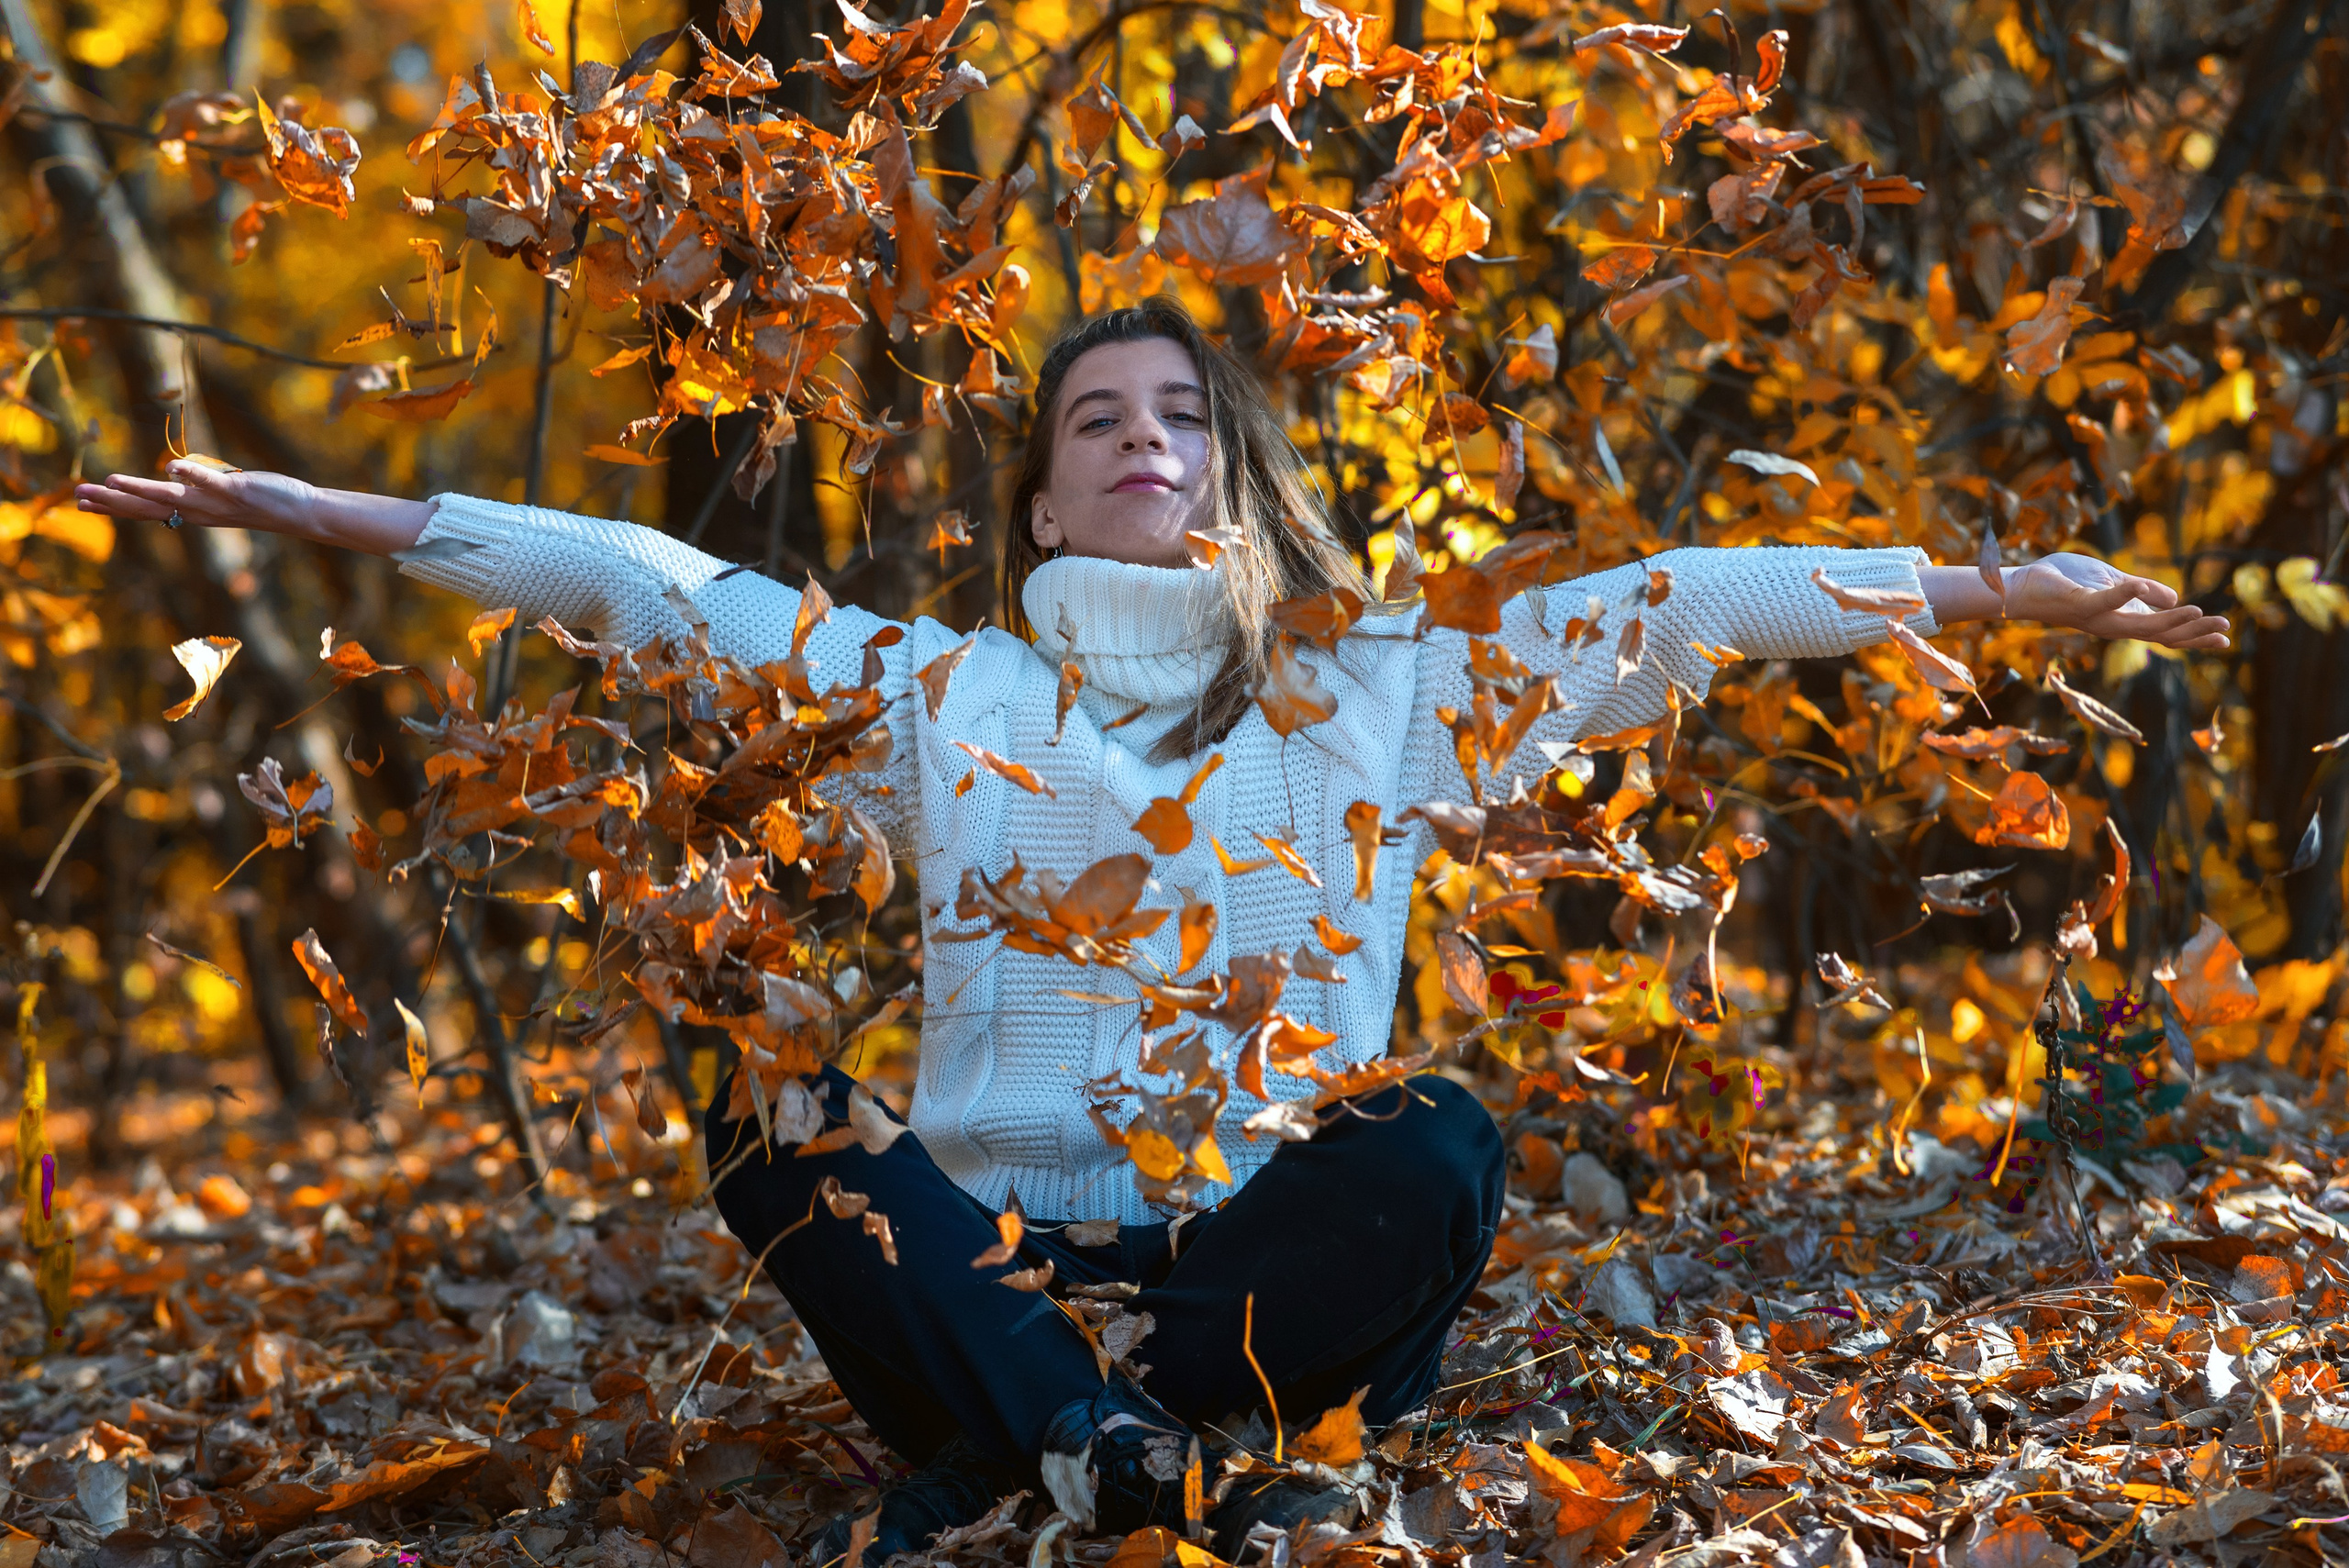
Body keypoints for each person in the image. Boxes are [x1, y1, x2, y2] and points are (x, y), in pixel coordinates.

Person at [77, 297, 2228, 1559]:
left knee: (1439, 1141)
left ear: (1229, 478)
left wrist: (1999, 590)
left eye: (1180, 416)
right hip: (977, 1260)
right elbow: (649, 581)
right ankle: (1085, 1434)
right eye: (1094, 418)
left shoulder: (1378, 686)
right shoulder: (936, 692)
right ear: (1036, 498)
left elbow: (1669, 601)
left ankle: (1089, 1436)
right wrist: (324, 508)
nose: (1141, 442)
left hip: (1238, 1276)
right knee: (761, 1081)